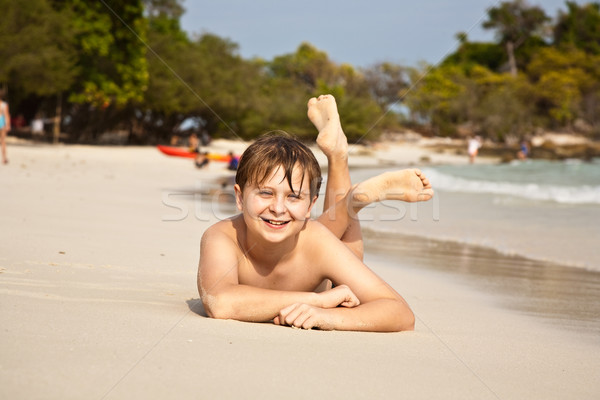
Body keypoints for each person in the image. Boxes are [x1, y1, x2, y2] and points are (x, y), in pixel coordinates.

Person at [197, 95, 434, 332]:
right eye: (266, 193)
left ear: (311, 206)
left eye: (293, 196)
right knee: (313, 232)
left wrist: (327, 318)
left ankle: (347, 186)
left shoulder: (318, 242)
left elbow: (401, 314)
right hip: (319, 279)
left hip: (319, 256)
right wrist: (318, 301)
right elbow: (220, 302)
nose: (278, 208)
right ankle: (345, 187)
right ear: (239, 197)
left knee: (347, 250)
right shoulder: (222, 236)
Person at [0, 91, 10, 165]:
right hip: (2, 122)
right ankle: (4, 158)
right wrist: (8, 125)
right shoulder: (4, 105)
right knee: (3, 141)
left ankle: (4, 158)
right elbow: (6, 115)